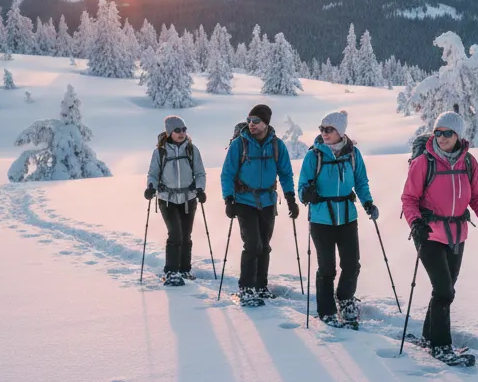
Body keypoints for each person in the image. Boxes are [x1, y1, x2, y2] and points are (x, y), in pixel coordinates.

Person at [401, 111, 478, 364]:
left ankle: (428, 335)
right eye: (438, 132)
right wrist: (416, 223)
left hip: (457, 234)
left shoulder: (469, 162)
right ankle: (441, 347)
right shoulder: (424, 162)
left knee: (445, 289)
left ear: (458, 135)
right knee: (444, 290)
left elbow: (477, 197)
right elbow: (408, 199)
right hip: (428, 233)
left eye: (447, 133)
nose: (442, 137)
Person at [297, 110, 377, 326]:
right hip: (321, 218)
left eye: (329, 129)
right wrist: (306, 194)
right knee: (327, 268)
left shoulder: (353, 154)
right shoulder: (314, 155)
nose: (324, 133)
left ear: (340, 132)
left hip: (347, 216)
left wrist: (368, 202)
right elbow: (302, 185)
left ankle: (345, 299)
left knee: (352, 264)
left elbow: (361, 181)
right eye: (322, 129)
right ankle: (326, 311)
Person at [220, 104, 298, 307]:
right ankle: (247, 289)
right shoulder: (240, 144)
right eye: (249, 120)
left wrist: (290, 197)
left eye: (256, 121)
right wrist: (228, 199)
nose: (251, 125)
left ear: (266, 123)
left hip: (268, 201)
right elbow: (227, 173)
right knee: (252, 245)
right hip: (244, 201)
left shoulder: (277, 145)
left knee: (264, 246)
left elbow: (286, 173)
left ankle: (261, 287)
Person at [145, 115, 207, 286]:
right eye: (178, 130)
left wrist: (200, 189)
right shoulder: (160, 152)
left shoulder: (192, 150)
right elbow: (153, 173)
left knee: (186, 235)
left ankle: (184, 270)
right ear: (169, 132)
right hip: (167, 199)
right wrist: (151, 187)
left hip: (188, 198)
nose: (182, 133)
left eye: (184, 130)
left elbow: (200, 173)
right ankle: (171, 272)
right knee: (175, 234)